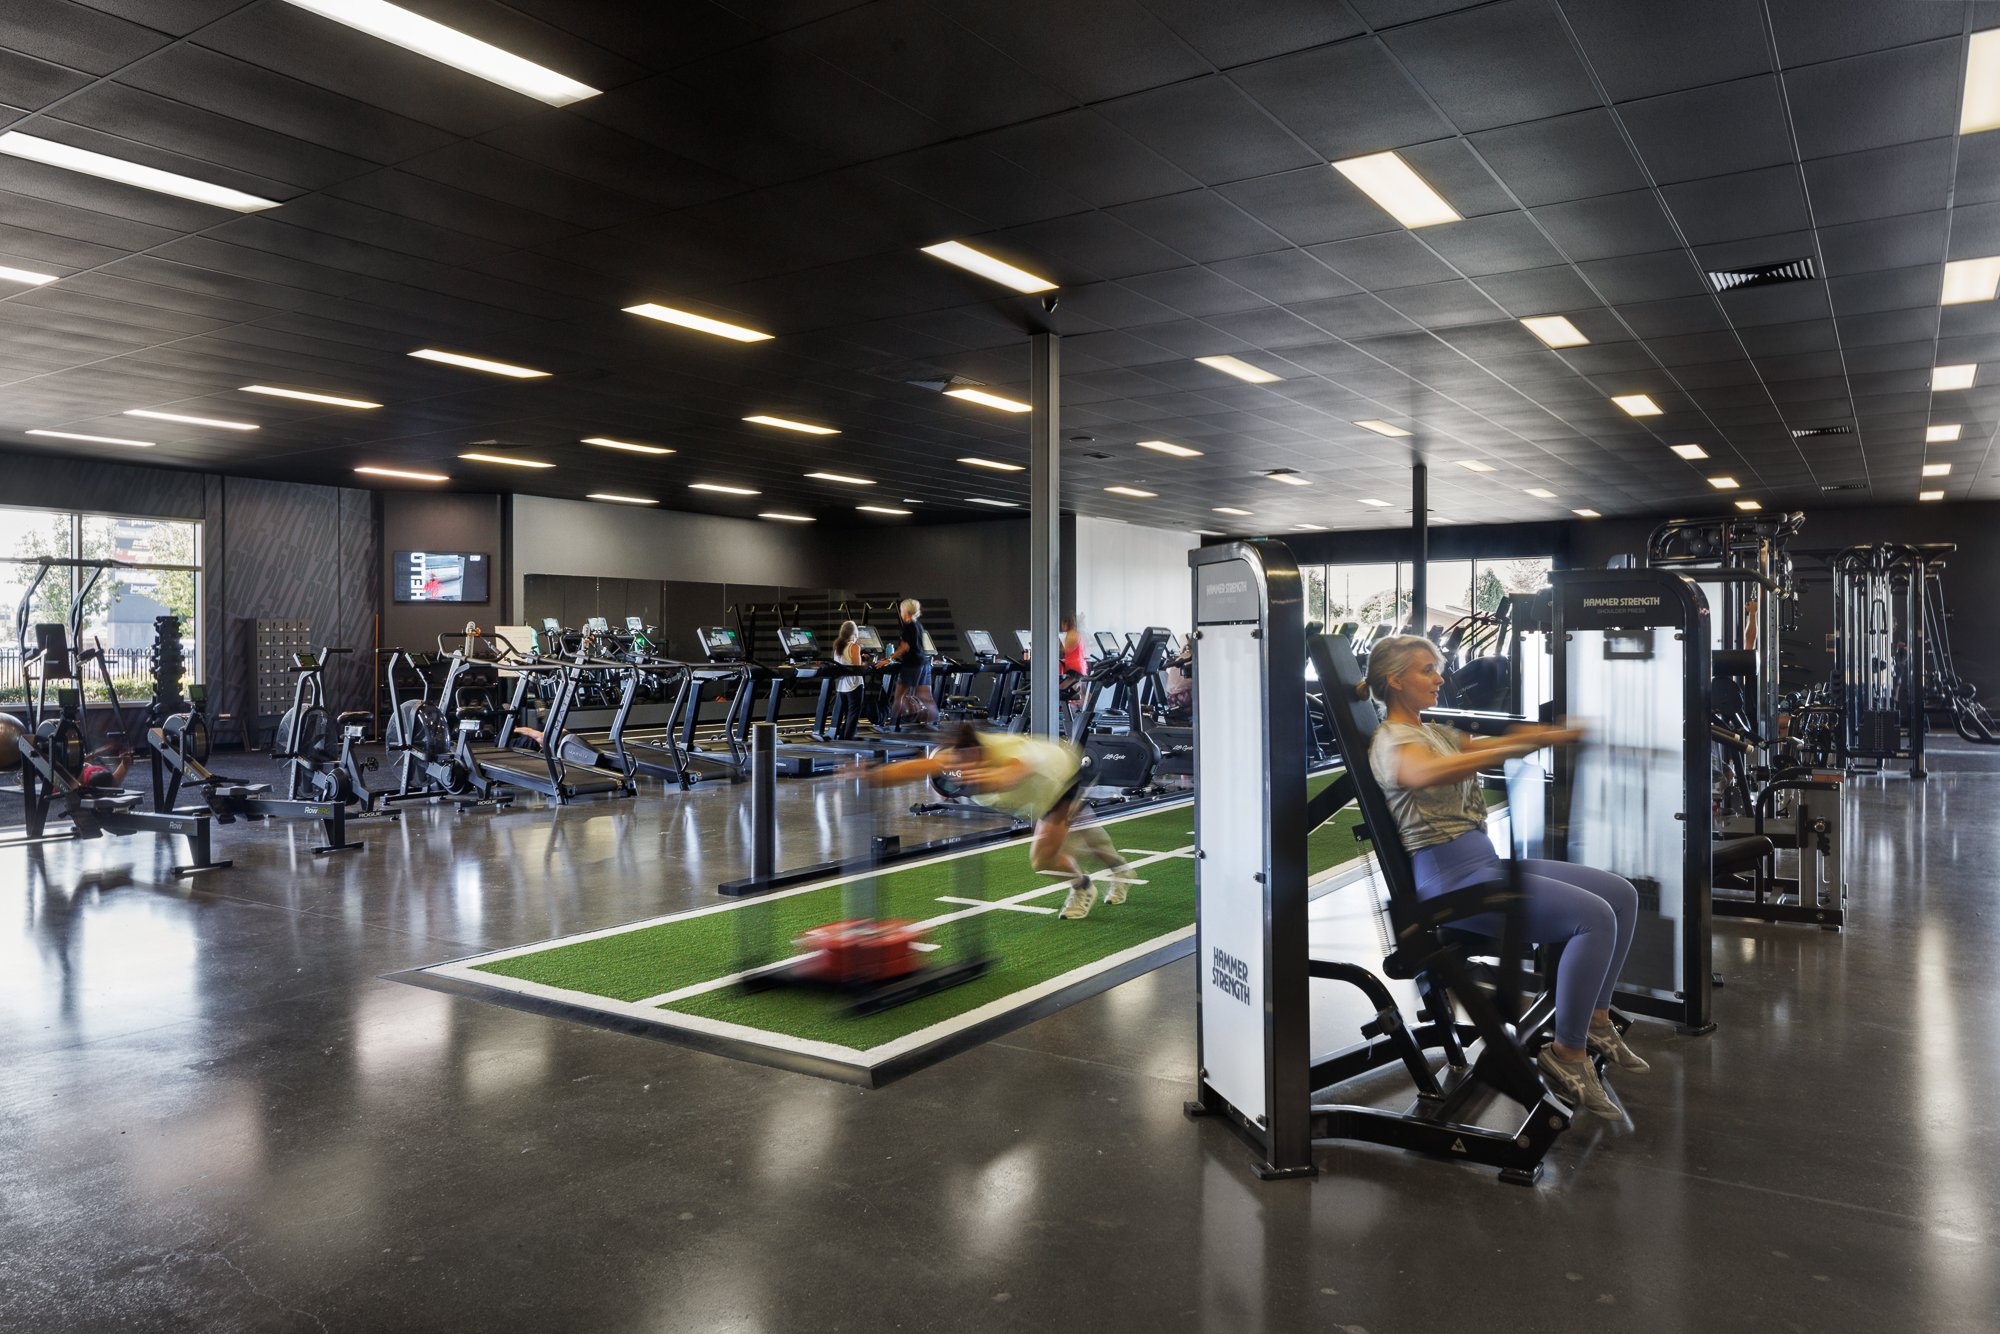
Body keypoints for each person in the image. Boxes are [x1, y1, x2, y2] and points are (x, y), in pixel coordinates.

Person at [1361, 634, 1648, 1122]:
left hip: (1482, 863)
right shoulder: (1391, 743)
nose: (1440, 678)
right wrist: (1522, 746)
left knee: (1620, 894)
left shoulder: (1432, 730)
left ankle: (1596, 1020)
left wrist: (1546, 735)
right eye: (1427, 670)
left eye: (1438, 668)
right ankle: (1567, 1055)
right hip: (1449, 881)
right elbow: (1427, 774)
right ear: (1395, 681)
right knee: (1594, 919)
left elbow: (1480, 744)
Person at [870, 723, 1131, 920]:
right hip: (1033, 797)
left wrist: (977, 779)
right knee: (1057, 853)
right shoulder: (956, 757)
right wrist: (870, 775)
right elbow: (915, 768)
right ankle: (1099, 876)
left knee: (1058, 852)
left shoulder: (1012, 753)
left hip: (1062, 781)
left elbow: (1009, 777)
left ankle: (1104, 877)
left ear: (980, 753)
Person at [885, 598, 938, 727]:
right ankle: (934, 724)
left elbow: (905, 647)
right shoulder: (918, 625)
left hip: (912, 665)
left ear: (906, 612)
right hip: (924, 663)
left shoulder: (908, 626)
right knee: (926, 697)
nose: (901, 613)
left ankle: (892, 725)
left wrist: (889, 659)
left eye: (902, 610)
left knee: (899, 696)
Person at [832, 620, 866, 736]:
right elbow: (857, 668)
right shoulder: (854, 646)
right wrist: (865, 663)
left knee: (848, 715)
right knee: (853, 716)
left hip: (841, 687)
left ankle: (843, 737)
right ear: (855, 634)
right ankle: (848, 739)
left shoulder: (837, 646)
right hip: (854, 686)